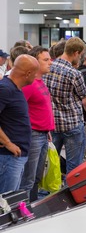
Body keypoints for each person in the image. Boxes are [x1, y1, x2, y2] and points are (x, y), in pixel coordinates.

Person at [44, 37, 86, 176]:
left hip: (53, 124)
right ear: (76, 53)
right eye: (80, 55)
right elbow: (83, 93)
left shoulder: (48, 67)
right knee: (74, 166)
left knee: (50, 162)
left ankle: (48, 192)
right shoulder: (74, 73)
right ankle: (72, 192)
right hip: (72, 124)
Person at [0, 54, 39, 194]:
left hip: (14, 157)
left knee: (11, 201)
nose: (35, 77)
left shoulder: (14, 89)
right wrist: (8, 143)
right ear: (28, 73)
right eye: (35, 74)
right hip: (8, 157)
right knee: (5, 203)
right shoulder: (6, 89)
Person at [19, 47, 54, 201]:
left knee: (36, 176)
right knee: (28, 178)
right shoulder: (29, 85)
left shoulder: (39, 82)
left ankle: (32, 205)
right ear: (35, 62)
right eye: (45, 60)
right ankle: (23, 209)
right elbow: (19, 110)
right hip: (33, 135)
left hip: (42, 133)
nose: (50, 62)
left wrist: (47, 129)